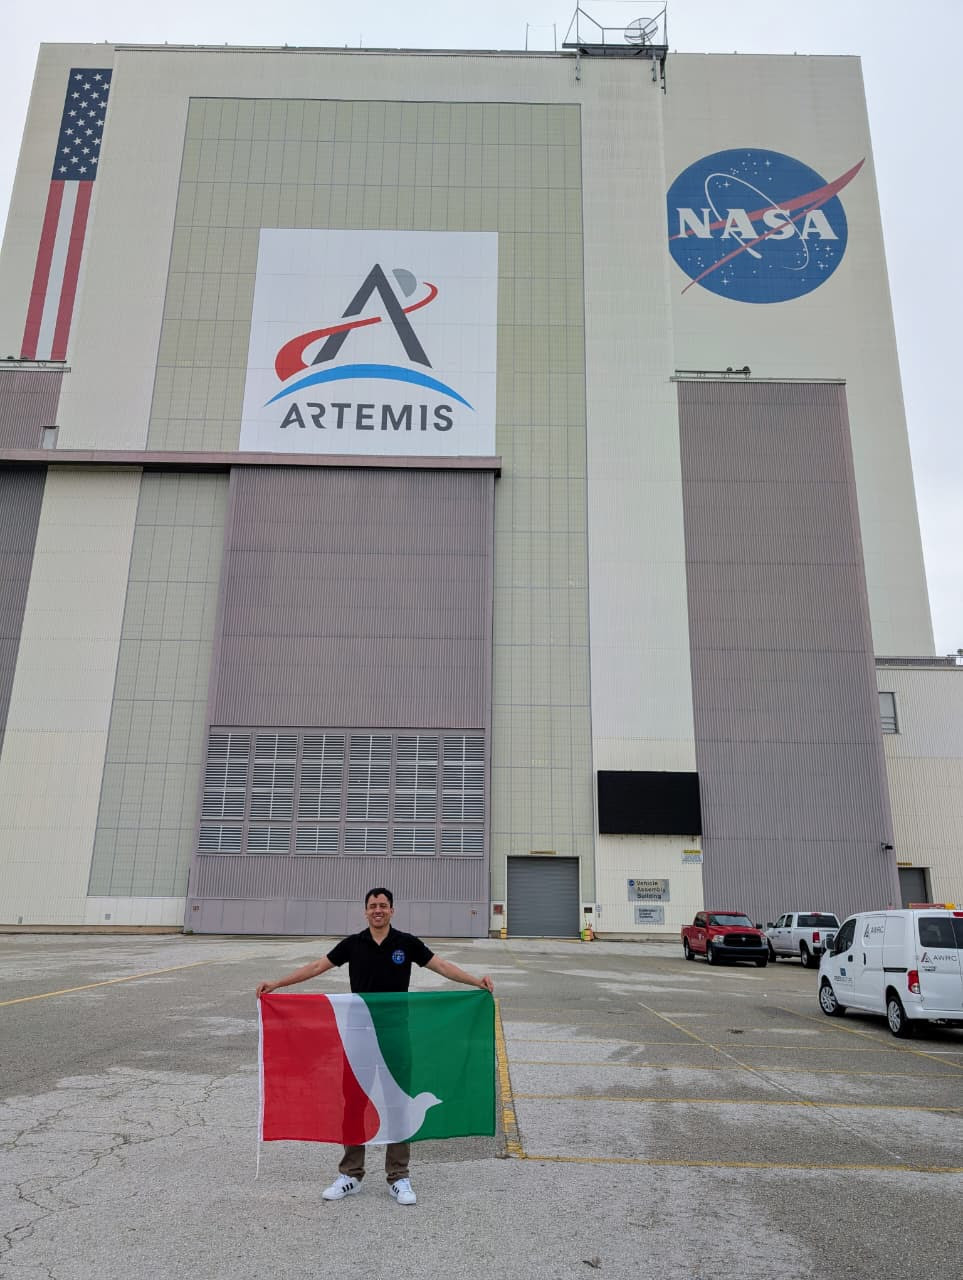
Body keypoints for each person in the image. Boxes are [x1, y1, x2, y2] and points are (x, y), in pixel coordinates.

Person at [255, 886, 494, 1206]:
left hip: (396, 1036)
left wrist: (476, 981)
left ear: (392, 910)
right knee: (354, 1104)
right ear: (365, 911)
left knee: (398, 1105)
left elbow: (442, 966)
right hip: (358, 1039)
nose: (378, 910)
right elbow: (315, 967)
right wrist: (277, 984)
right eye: (372, 906)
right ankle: (350, 1174)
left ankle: (399, 1176)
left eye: (383, 905)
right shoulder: (353, 944)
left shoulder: (406, 944)